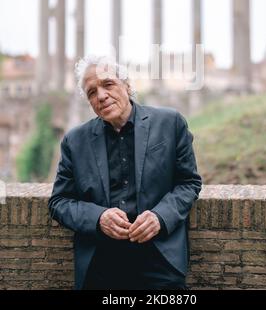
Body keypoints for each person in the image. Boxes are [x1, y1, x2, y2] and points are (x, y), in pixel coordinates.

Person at [48, 55, 202, 290]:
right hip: (100, 264)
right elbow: (59, 202)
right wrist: (98, 218)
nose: (101, 95)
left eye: (108, 84)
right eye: (92, 92)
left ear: (127, 86)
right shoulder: (74, 141)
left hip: (160, 260)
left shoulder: (170, 123)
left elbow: (188, 183)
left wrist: (160, 217)